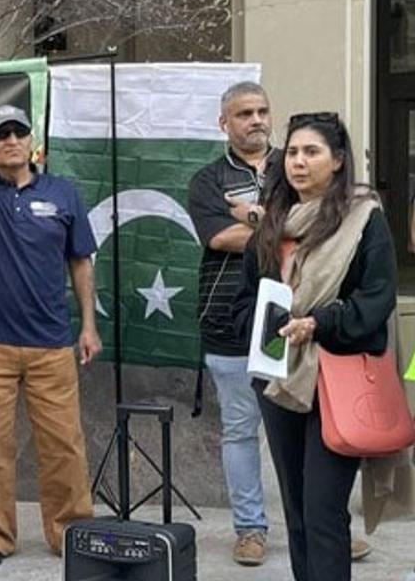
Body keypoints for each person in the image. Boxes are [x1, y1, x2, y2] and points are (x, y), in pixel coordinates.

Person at [233, 112, 395, 581]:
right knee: (298, 509)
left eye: (313, 152)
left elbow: (376, 299)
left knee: (324, 510)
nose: (299, 162)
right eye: (294, 153)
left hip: (337, 378)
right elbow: (245, 299)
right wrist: (269, 323)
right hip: (279, 376)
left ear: (339, 161)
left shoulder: (363, 218)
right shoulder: (273, 222)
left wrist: (319, 323)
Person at [0, 102, 102, 572]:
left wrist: (89, 326)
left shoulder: (63, 193)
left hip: (51, 341)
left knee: (64, 444)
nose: (11, 140)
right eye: (1, 134)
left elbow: (80, 261)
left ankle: (69, 531)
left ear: (32, 140)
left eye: (19, 132)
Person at [186, 81, 277, 566]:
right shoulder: (207, 180)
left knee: (307, 430)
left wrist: (254, 217)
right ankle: (250, 529)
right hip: (228, 321)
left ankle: (323, 525)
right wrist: (276, 227)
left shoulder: (294, 167)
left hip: (295, 321)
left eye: (262, 110)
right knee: (241, 430)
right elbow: (221, 239)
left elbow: (317, 228)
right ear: (225, 122)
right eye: (244, 113)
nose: (256, 120)